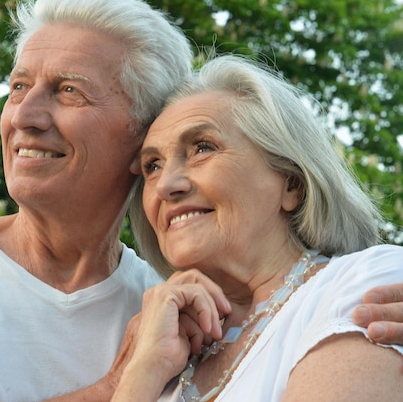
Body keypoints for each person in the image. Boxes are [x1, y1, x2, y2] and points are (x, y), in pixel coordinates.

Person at [0, 0, 403, 402]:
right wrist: (120, 383)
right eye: (16, 87)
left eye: (67, 90)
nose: (25, 117)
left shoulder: (180, 313)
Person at [112, 54, 403, 402]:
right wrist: (140, 375)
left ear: (291, 184)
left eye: (203, 147)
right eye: (152, 165)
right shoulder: (162, 353)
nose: (165, 186)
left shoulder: (364, 283)